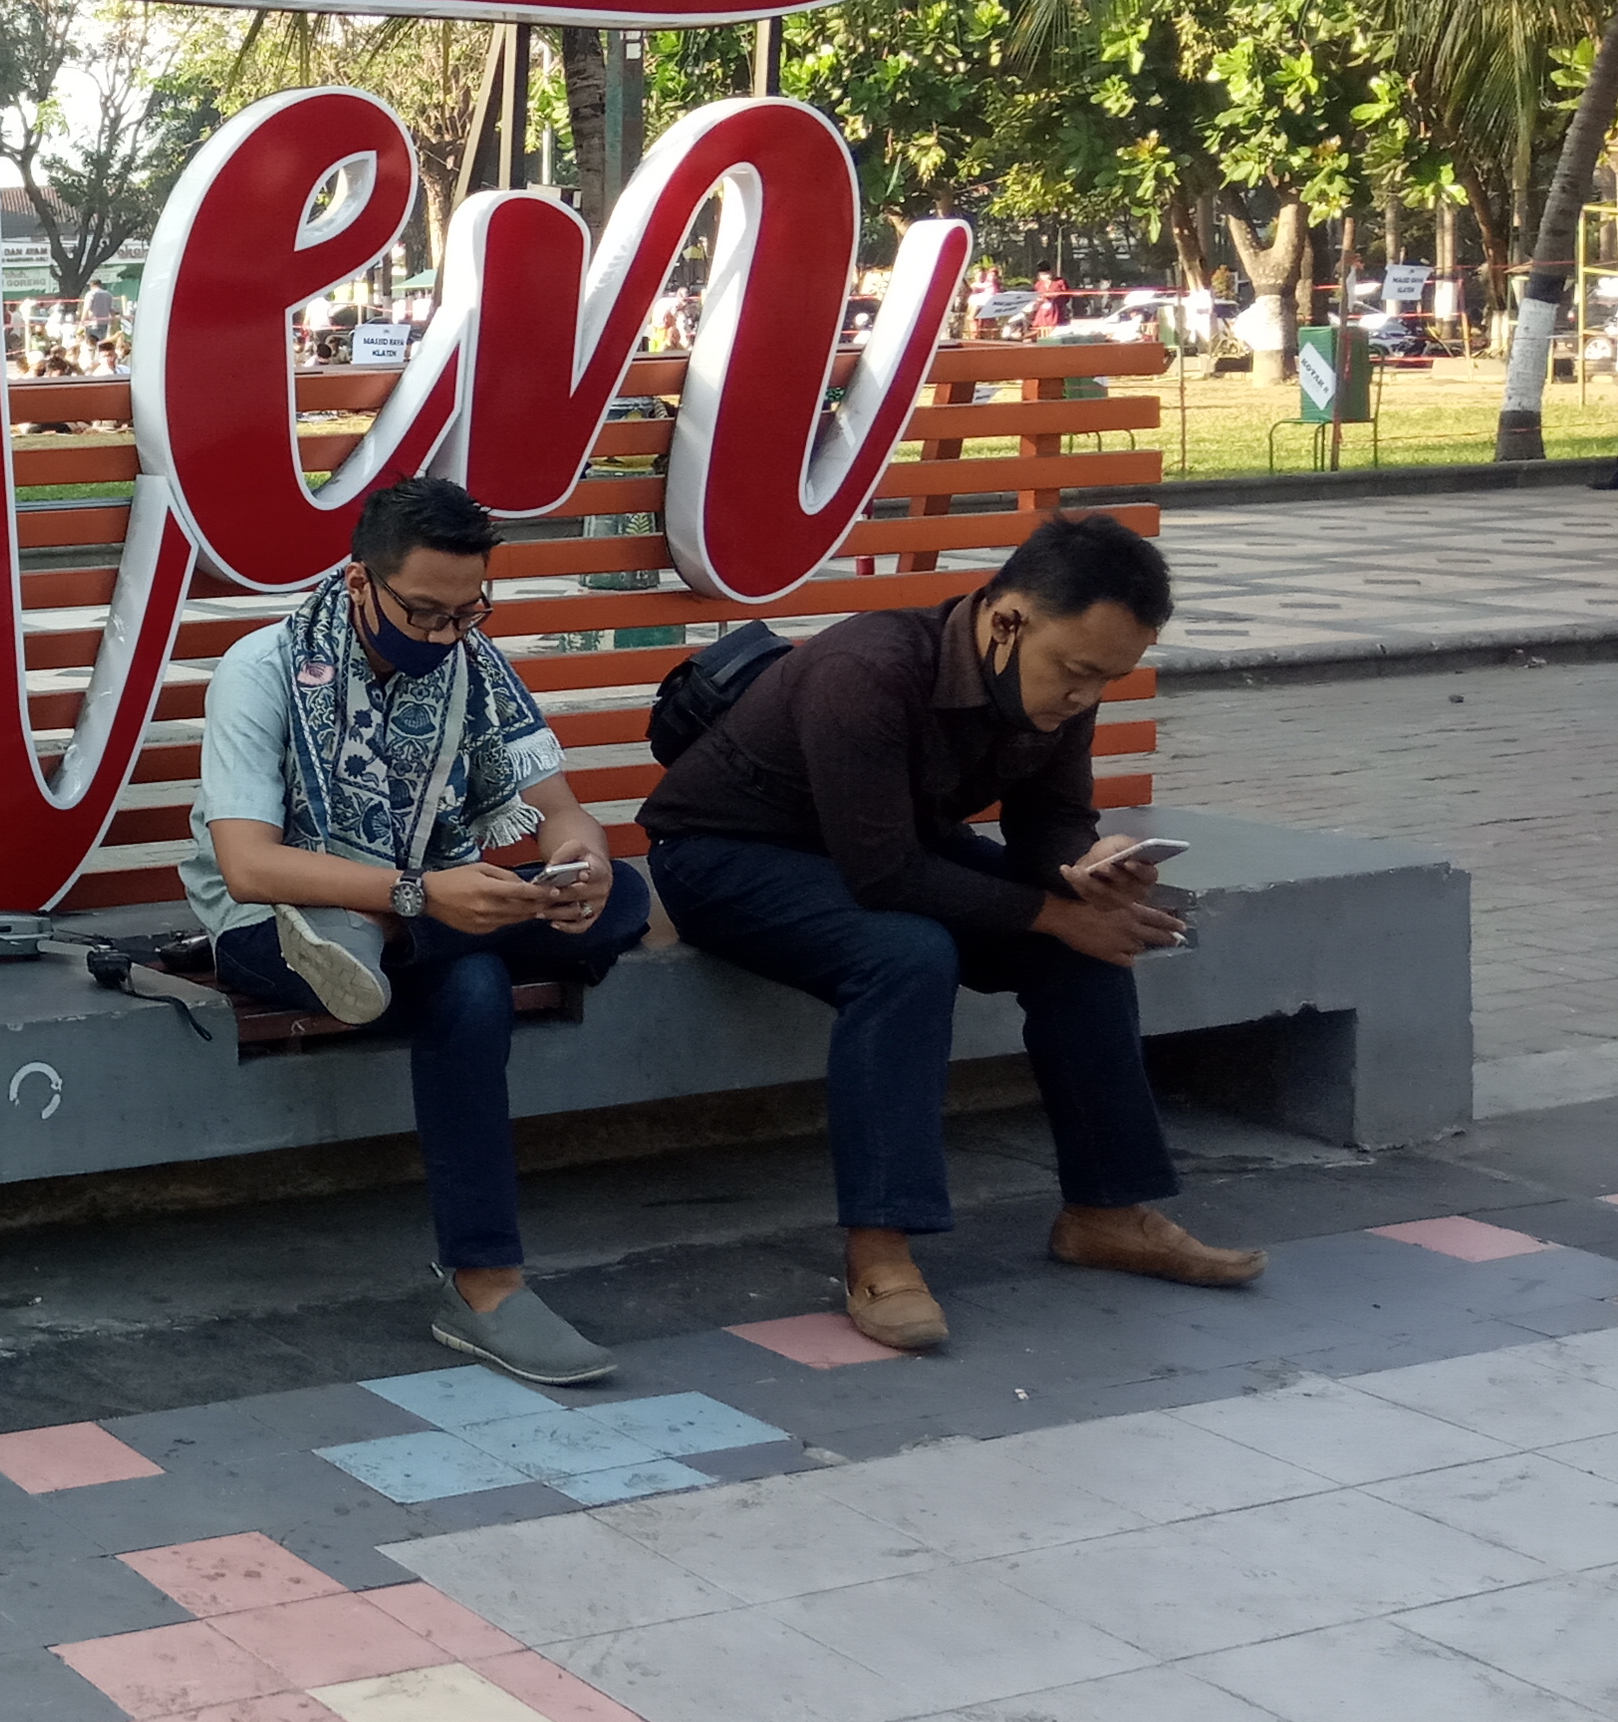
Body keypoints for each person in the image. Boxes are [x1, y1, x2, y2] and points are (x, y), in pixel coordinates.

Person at [641, 514, 1254, 1354]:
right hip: (726, 857)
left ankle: (1106, 1212)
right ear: (1008, 621)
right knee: (907, 955)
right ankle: (879, 1249)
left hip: (889, 845)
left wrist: (1088, 866)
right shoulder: (868, 670)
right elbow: (885, 877)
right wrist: (1055, 912)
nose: (1084, 697)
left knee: (1086, 944)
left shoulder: (1061, 679)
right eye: (1077, 672)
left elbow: (1050, 820)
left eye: (1107, 679)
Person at [179, 475, 654, 1385]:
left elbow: (561, 810)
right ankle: (487, 1288)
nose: (443, 635)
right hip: (275, 922)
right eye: (424, 613)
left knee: (624, 896)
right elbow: (247, 865)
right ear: (361, 581)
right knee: (471, 985)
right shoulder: (266, 667)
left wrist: (578, 863)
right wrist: (418, 893)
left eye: (466, 613)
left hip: (427, 912)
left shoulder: (472, 662)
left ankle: (387, 945)